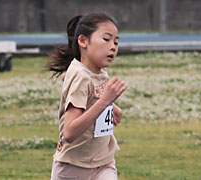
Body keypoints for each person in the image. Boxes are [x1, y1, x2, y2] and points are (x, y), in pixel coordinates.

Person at [45, 11, 128, 180]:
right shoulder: (80, 76)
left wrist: (112, 106)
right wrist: (105, 102)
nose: (113, 46)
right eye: (106, 39)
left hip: (103, 162)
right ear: (83, 41)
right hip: (73, 169)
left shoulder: (98, 71)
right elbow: (69, 132)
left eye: (116, 42)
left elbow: (79, 87)